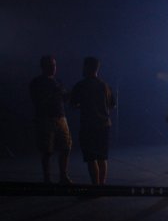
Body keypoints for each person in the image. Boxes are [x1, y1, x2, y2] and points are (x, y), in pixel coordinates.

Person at [70, 57, 116, 185]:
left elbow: (73, 104)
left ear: (87, 67)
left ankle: (95, 186)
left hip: (88, 126)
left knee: (91, 158)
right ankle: (102, 186)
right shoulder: (105, 86)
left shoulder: (81, 85)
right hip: (104, 125)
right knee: (102, 158)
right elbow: (112, 105)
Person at [29, 55, 72, 184]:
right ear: (43, 67)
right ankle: (47, 178)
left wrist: (68, 95)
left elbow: (64, 99)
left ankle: (63, 176)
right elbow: (37, 101)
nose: (54, 67)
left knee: (66, 147)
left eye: (54, 65)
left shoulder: (58, 81)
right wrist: (54, 93)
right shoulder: (37, 82)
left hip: (61, 117)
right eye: (51, 65)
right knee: (47, 151)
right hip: (45, 119)